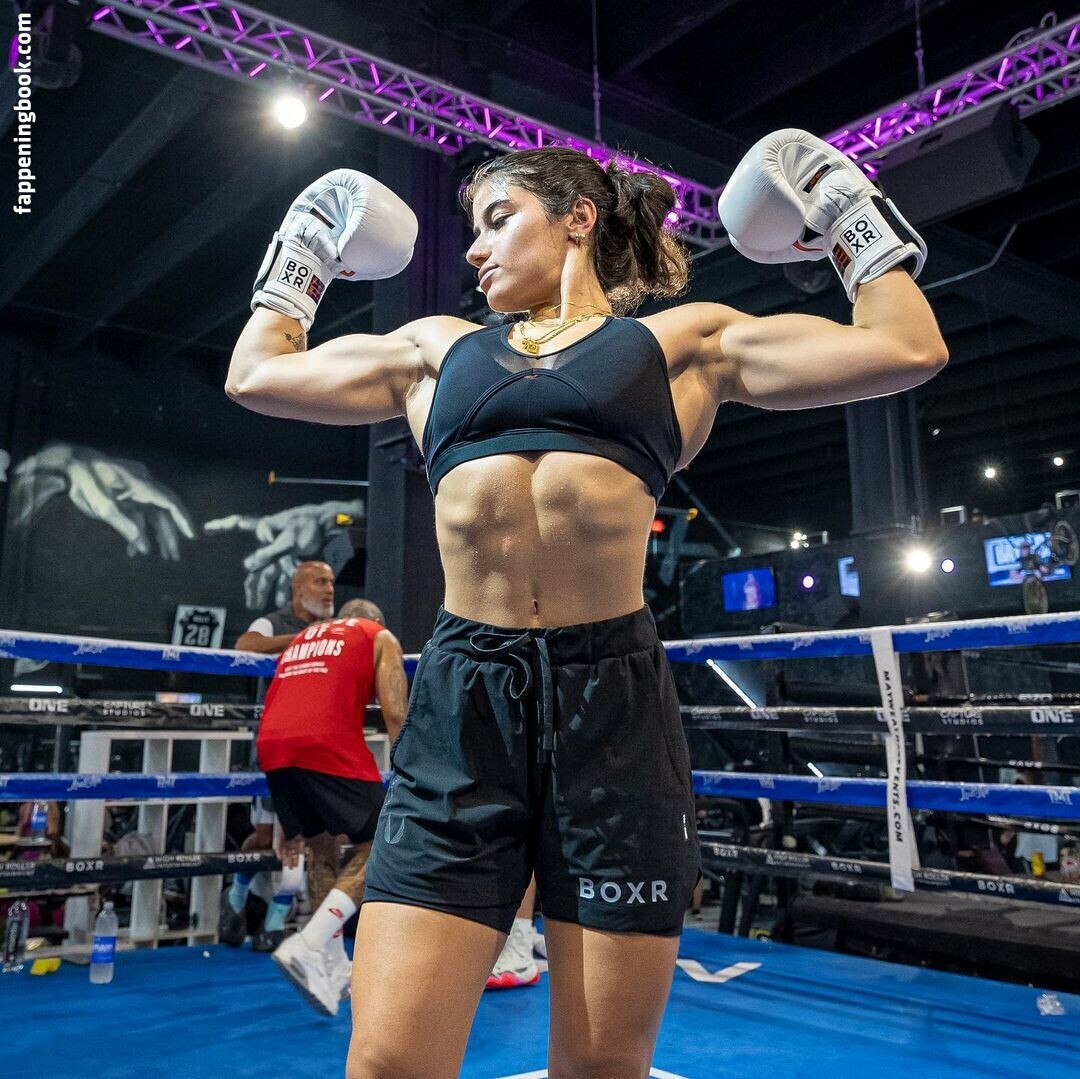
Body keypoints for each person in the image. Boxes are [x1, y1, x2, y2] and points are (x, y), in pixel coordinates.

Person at [226, 131, 947, 1076]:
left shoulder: (681, 345)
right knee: (388, 1063)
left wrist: (850, 211)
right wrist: (305, 252)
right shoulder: (434, 351)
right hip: (464, 703)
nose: (474, 249)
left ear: (577, 218)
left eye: (497, 218)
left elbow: (906, 346)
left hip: (611, 705)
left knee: (603, 1068)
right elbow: (256, 371)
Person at [259, 598, 407, 1016]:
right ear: (374, 620)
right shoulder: (378, 635)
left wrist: (284, 821)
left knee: (321, 845)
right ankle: (309, 944)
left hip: (272, 747)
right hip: (325, 744)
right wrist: (412, 774)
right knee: (385, 844)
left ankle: (335, 965)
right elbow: (396, 713)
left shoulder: (303, 638)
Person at [219, 560, 336, 951]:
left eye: (332, 582)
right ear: (298, 588)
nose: (329, 589)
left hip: (315, 748)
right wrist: (303, 639)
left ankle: (273, 924)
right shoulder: (272, 622)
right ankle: (236, 896)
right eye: (320, 581)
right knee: (267, 836)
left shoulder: (334, 631)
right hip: (275, 743)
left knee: (299, 837)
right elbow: (244, 646)